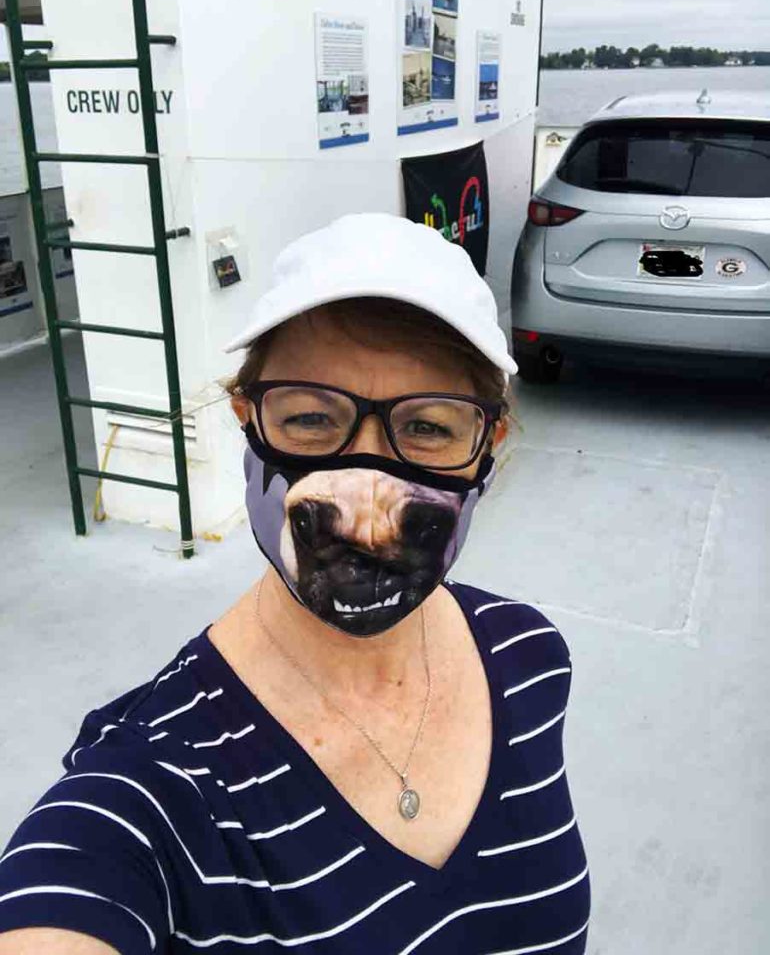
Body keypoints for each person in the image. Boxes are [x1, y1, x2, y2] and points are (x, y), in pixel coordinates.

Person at [0, 213, 591, 953]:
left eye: (430, 428)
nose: (365, 498)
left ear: (487, 446)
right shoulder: (153, 784)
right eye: (312, 417)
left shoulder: (528, 657)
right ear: (247, 418)